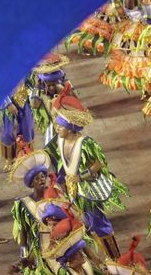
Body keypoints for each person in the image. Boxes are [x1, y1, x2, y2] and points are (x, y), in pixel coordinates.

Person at [52, 85, 127, 260]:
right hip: (72, 191)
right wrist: (60, 180)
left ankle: (116, 261)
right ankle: (99, 260)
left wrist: (81, 177)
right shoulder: (60, 141)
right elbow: (64, 165)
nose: (56, 128)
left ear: (70, 127)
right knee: (86, 225)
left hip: (88, 192)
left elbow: (99, 164)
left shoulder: (86, 143)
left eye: (60, 126)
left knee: (98, 223)